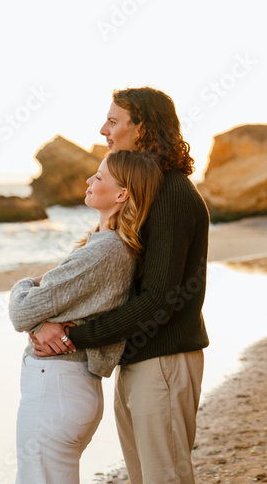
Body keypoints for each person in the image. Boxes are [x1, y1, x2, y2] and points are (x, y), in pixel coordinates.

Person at [32, 87, 211, 484]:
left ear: (142, 128)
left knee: (164, 477)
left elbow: (158, 298)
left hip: (164, 359)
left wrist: (75, 336)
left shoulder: (170, 193)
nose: (103, 130)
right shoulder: (149, 191)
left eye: (113, 121)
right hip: (139, 358)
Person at [10, 150, 163, 484]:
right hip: (69, 386)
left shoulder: (105, 250)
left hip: (57, 386)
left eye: (99, 177)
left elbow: (21, 309)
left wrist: (27, 284)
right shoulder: (110, 247)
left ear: (122, 194)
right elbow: (40, 310)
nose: (88, 181)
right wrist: (41, 319)